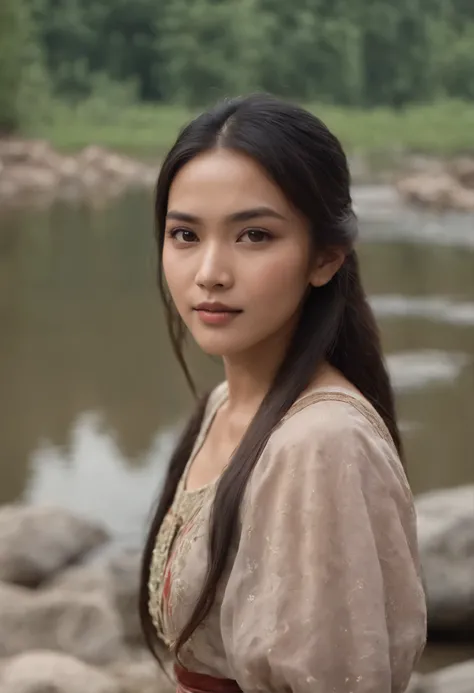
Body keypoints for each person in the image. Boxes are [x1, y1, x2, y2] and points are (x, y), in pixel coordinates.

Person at [139, 93, 427, 693]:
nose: (210, 272)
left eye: (253, 236)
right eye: (185, 234)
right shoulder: (223, 406)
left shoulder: (321, 443)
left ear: (325, 257)